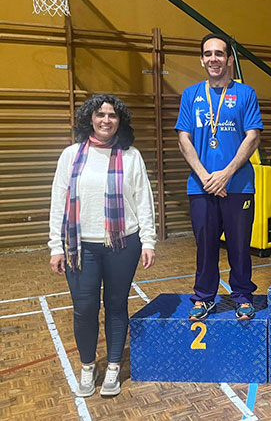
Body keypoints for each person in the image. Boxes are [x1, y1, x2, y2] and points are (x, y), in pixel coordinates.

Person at [49, 94, 156, 398]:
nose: (106, 120)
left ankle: (112, 368)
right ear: (90, 119)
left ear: (119, 121)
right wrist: (55, 246)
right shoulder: (71, 155)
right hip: (80, 247)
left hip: (124, 244)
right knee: (84, 309)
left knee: (116, 305)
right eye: (100, 114)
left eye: (112, 115)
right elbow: (58, 201)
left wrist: (148, 240)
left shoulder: (131, 155)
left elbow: (143, 201)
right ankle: (87, 367)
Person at [176, 33, 263, 322]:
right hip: (200, 187)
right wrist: (205, 177)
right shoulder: (191, 95)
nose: (214, 59)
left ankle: (241, 296)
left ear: (228, 59)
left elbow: (253, 137)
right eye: (208, 54)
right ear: (202, 59)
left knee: (240, 245)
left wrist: (225, 175)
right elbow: (183, 138)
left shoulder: (246, 93)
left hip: (237, 185)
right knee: (206, 246)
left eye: (219, 53)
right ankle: (203, 297)